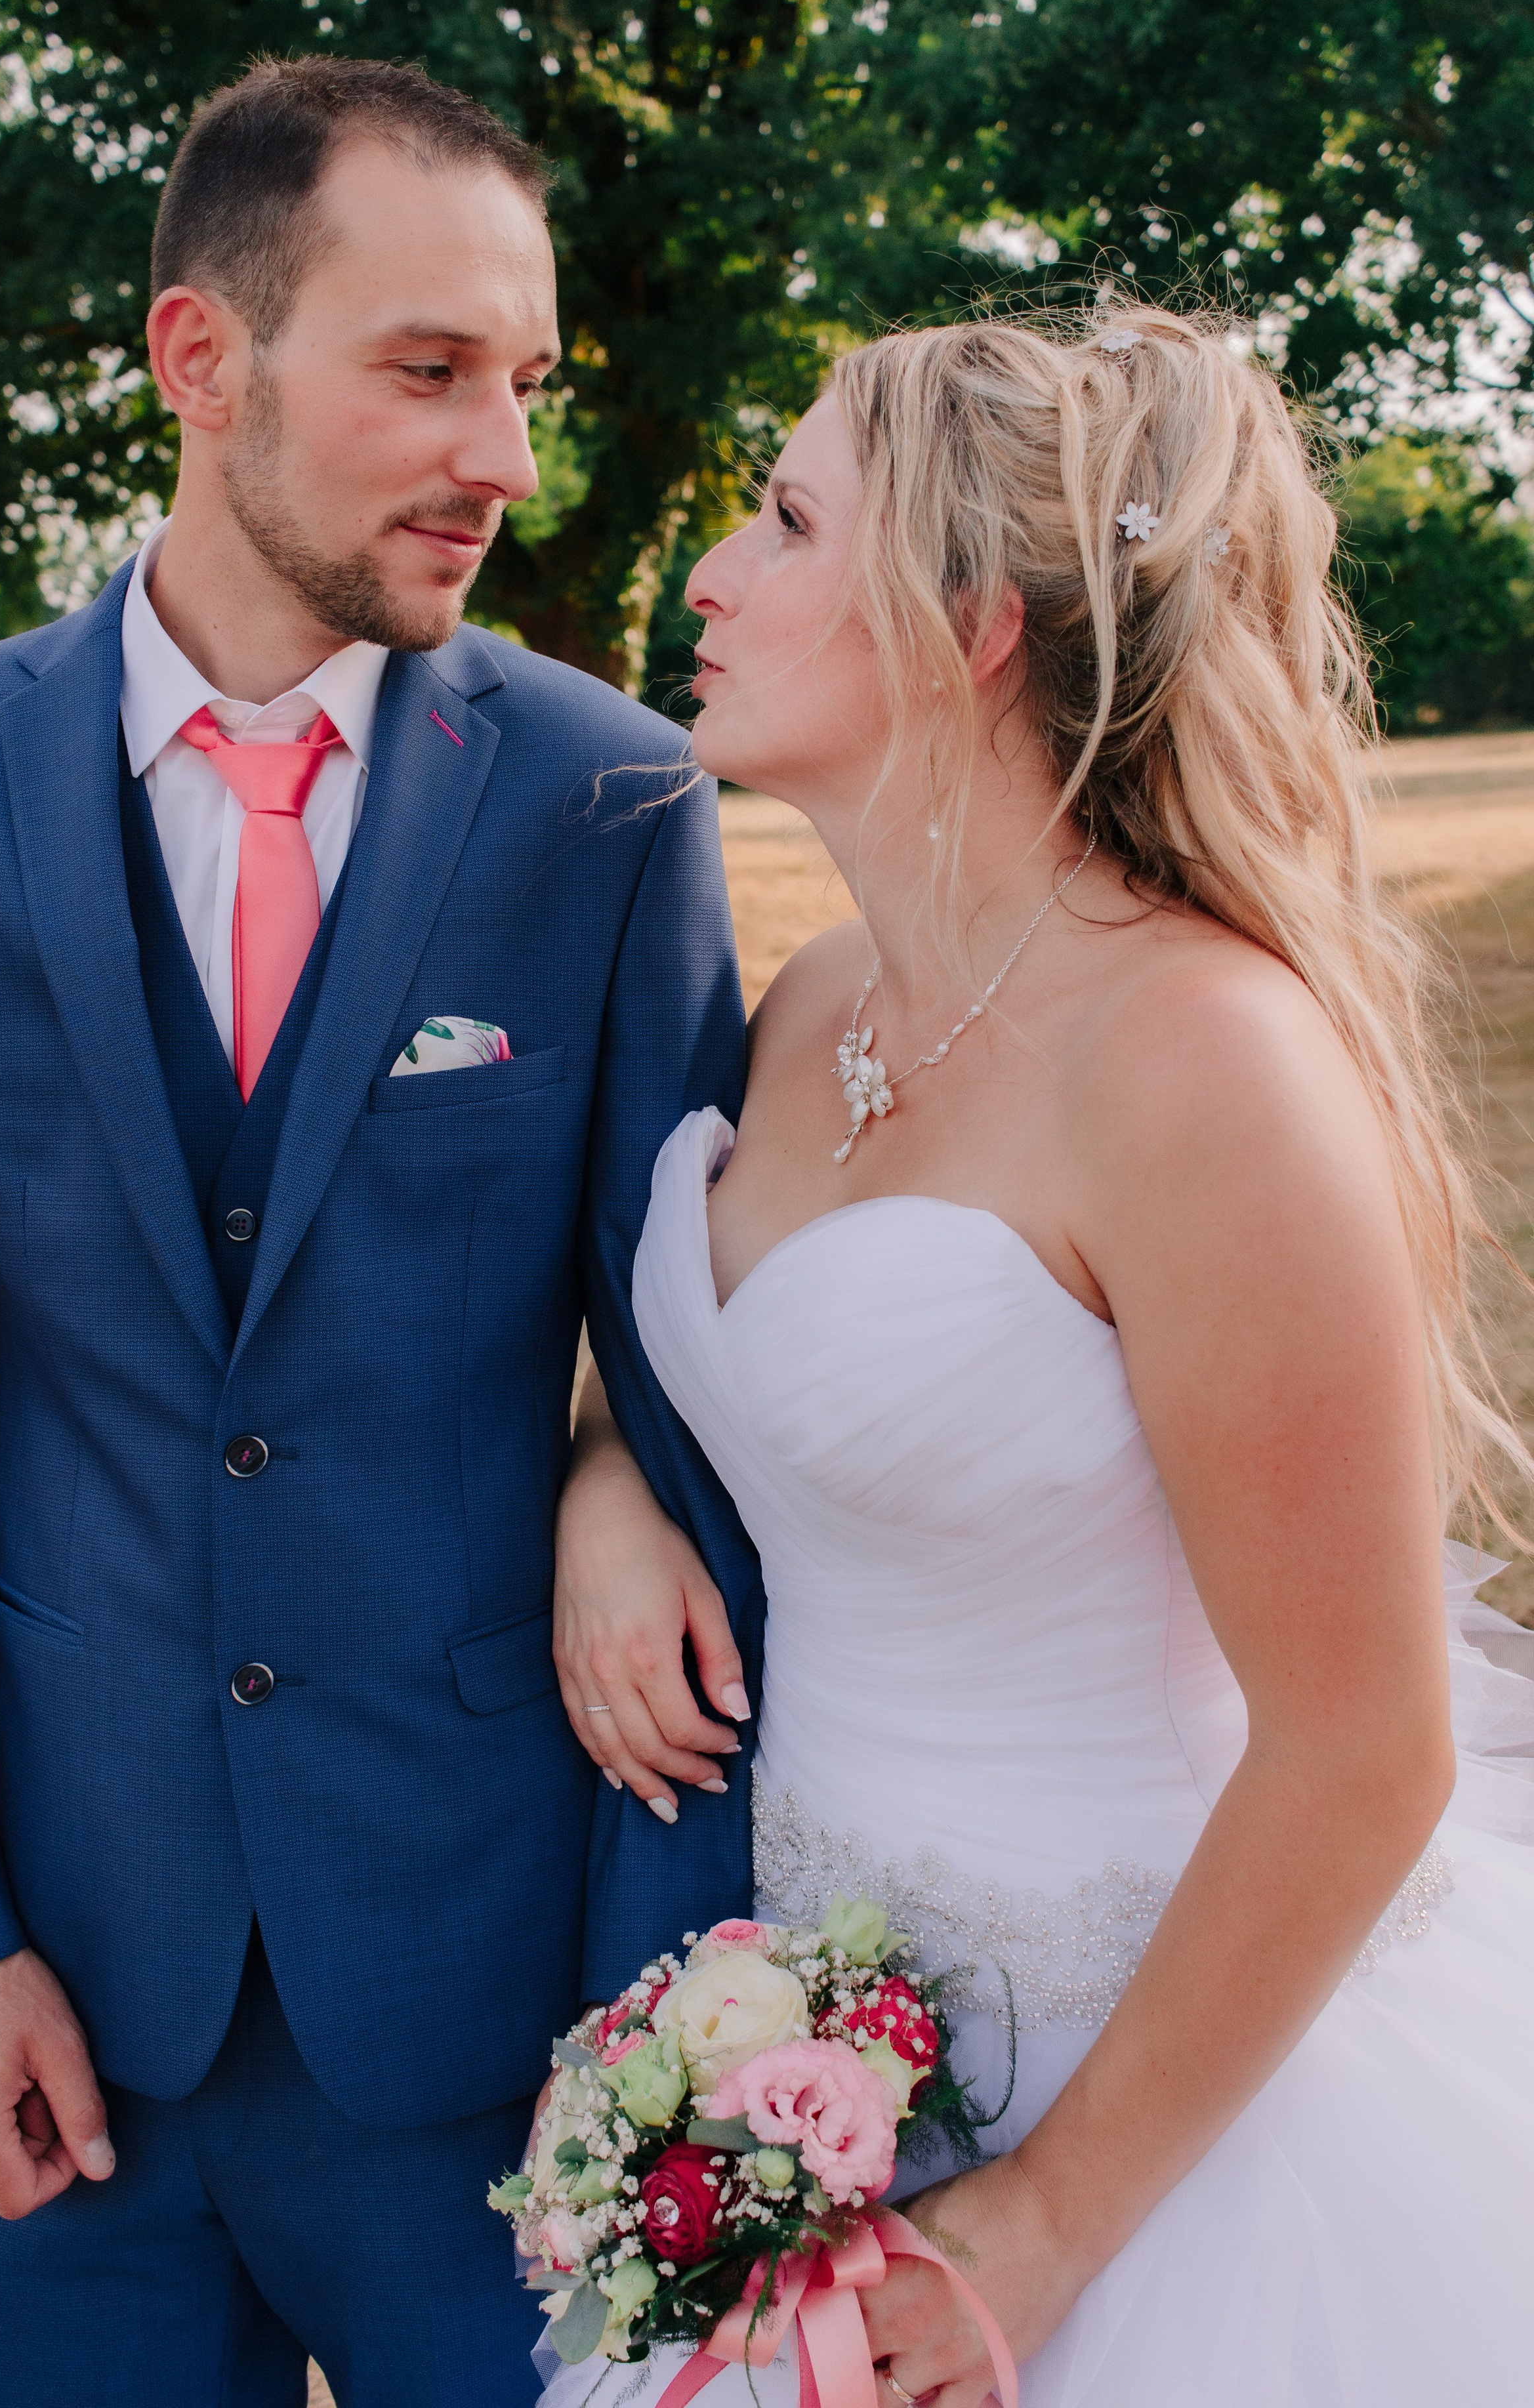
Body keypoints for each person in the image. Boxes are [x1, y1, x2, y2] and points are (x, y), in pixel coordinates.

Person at [0, 56, 761, 2406]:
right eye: (430, 369)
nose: (507, 455)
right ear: (202, 357)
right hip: (70, 2010)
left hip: (500, 2022)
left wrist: (667, 2035)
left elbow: (703, 1410)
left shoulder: (608, 804)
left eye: (526, 380)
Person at [547, 306, 1534, 2404]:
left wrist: (1048, 2219)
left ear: (972, 627)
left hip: (1173, 2112)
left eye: (785, 519)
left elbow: (1366, 1745)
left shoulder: (1202, 1063)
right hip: (837, 2050)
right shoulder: (819, 999)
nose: (708, 574)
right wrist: (611, 1482)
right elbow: (754, 1381)